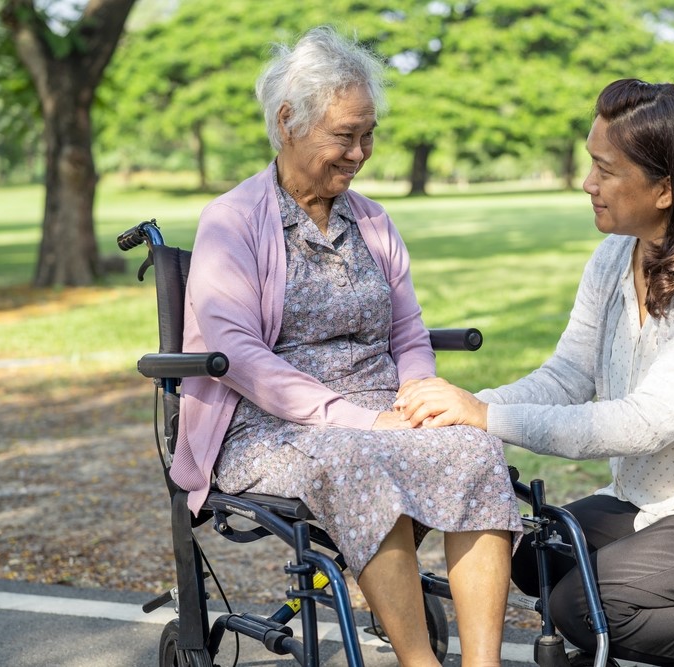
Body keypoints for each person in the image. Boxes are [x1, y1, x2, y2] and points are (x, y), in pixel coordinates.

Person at [396, 79, 674, 667]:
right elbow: (567, 375)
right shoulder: (618, 254)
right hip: (664, 502)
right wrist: (463, 407)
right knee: (535, 556)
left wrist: (489, 417)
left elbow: (645, 424)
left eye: (605, 170)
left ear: (664, 189)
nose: (588, 183)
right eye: (591, 163)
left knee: (583, 607)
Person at [169, 26, 522, 667]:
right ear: (287, 123)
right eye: (344, 135)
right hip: (271, 426)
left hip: (381, 411)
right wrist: (359, 418)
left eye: (369, 134)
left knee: (473, 448)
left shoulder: (373, 222)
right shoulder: (234, 219)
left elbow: (408, 333)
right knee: (358, 457)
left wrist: (417, 393)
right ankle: (420, 663)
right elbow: (238, 352)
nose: (360, 152)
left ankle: (483, 663)